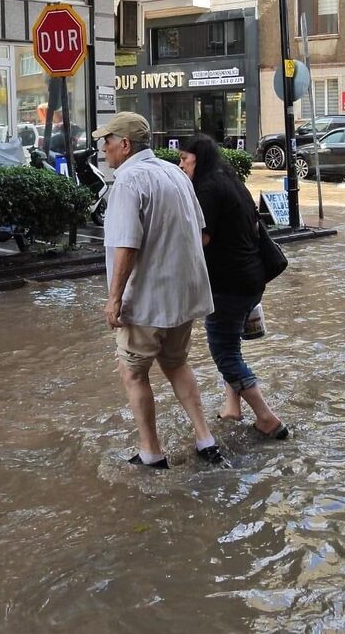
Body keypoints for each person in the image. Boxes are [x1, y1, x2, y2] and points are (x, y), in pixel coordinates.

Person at [94, 111, 225, 469]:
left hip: (148, 300)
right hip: (184, 296)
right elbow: (199, 232)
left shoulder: (128, 182)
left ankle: (151, 452)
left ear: (124, 145)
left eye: (107, 142)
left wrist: (114, 299)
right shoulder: (174, 173)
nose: (103, 149)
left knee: (133, 372)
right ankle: (206, 439)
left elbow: (126, 245)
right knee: (176, 362)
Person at [178, 135, 289, 440]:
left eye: (184, 159)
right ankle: (232, 408)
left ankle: (267, 418)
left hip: (227, 284)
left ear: (197, 159)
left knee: (224, 353)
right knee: (232, 346)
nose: (181, 165)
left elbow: (202, 239)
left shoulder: (207, 189)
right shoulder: (231, 180)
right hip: (252, 278)